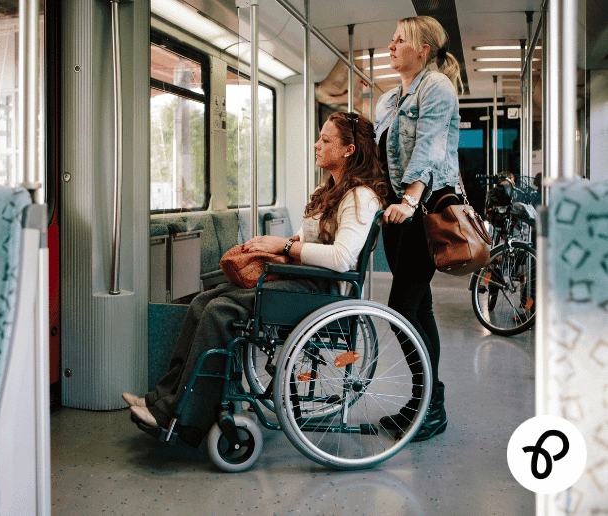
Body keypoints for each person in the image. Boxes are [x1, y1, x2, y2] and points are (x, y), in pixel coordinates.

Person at [123, 111, 388, 447]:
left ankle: (184, 417)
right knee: (204, 300)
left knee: (220, 310)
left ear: (348, 150)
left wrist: (286, 246)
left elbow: (342, 257)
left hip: (317, 291)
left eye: (326, 139)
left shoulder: (359, 197)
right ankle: (162, 398)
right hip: (301, 280)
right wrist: (274, 249)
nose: (317, 145)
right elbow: (308, 240)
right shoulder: (331, 190)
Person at [374, 15, 462, 442]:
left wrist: (409, 200)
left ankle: (432, 402)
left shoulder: (437, 88)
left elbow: (430, 145)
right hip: (397, 216)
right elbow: (379, 161)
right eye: (391, 40)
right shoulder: (388, 100)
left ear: (422, 50)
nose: (390, 46)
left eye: (399, 40)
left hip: (423, 211)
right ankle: (420, 404)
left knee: (401, 313)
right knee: (419, 309)